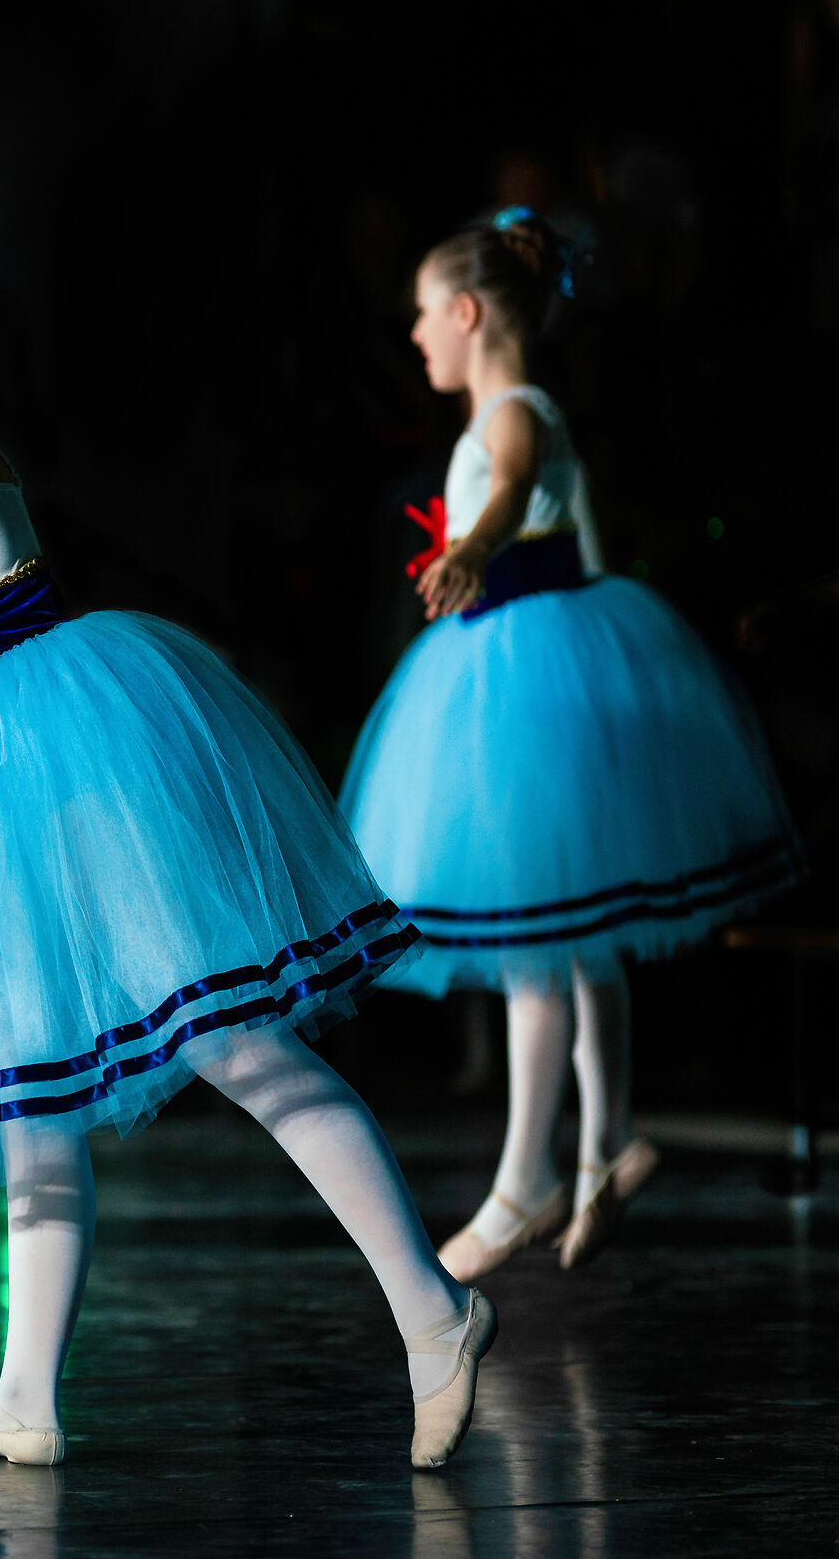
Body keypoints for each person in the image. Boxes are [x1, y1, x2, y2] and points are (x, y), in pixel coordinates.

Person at [0, 184, 486, 1470]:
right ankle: (33, 1391)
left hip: (31, 764)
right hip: (17, 756)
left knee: (237, 1047)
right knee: (37, 1088)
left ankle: (434, 1306)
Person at [341, 209, 802, 1277]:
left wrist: (475, 547)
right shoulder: (521, 410)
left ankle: (524, 1179)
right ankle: (603, 1139)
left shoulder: (513, 413)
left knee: (539, 934)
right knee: (579, 932)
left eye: (420, 314)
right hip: (536, 661)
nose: (413, 335)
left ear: (464, 312)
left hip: (524, 677)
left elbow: (505, 486)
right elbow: (570, 527)